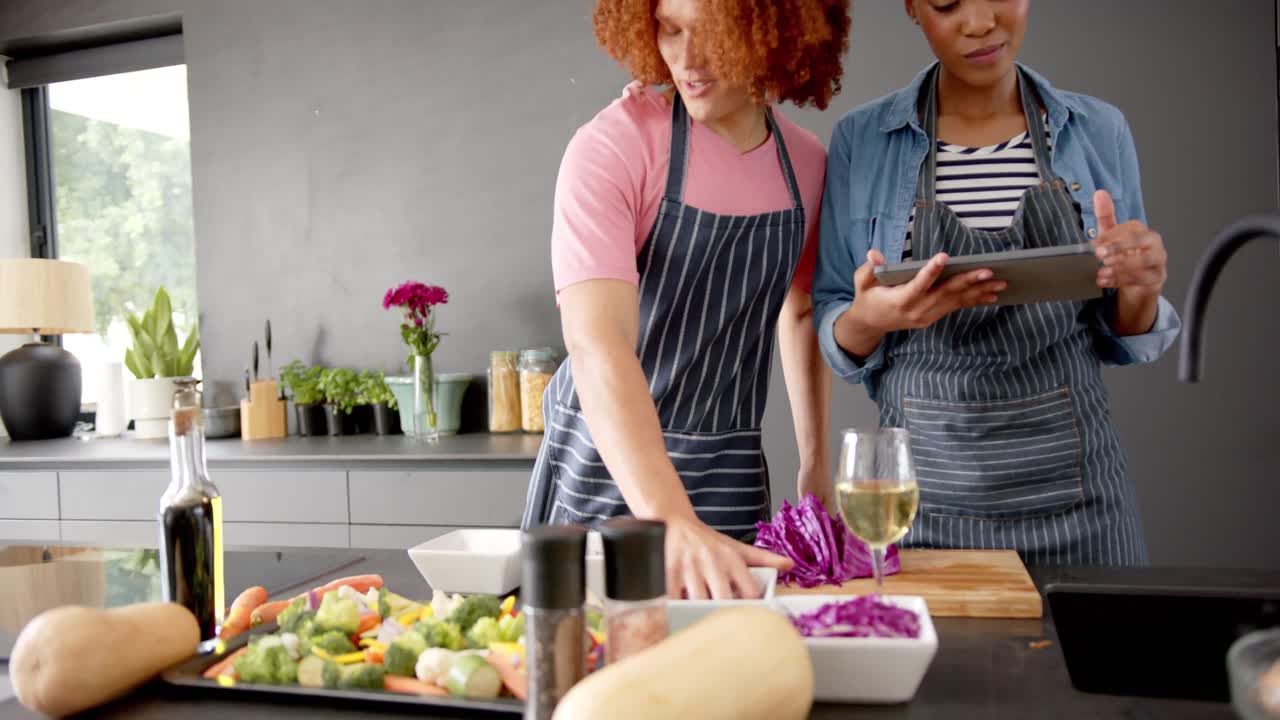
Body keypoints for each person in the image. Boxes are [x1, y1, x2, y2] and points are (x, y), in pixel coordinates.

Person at [812, 0, 1181, 566]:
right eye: (946, 4)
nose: (980, 22)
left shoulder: (1097, 131)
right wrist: (871, 319)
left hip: (1079, 497)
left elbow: (1122, 331)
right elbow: (837, 319)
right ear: (912, 8)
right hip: (917, 505)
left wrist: (1142, 285)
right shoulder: (864, 140)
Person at [522, 0, 852, 599]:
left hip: (730, 473)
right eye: (669, 30)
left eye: (714, 34)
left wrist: (814, 467)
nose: (687, 60)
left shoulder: (804, 164)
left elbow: (799, 309)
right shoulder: (614, 148)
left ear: (775, 34)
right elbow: (599, 344)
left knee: (726, 671)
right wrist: (669, 516)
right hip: (609, 464)